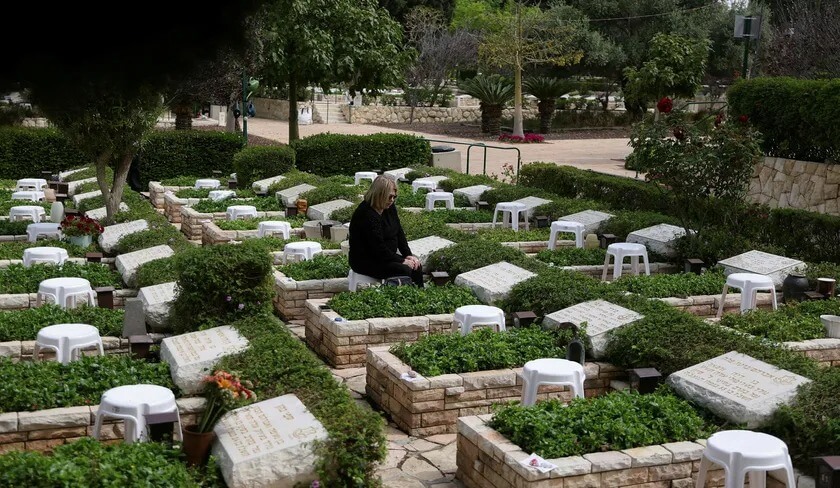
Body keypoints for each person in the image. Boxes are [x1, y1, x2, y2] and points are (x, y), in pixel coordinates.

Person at [349, 175, 423, 287]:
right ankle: (400, 299)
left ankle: (419, 296)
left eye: (394, 197)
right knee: (404, 270)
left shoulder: (388, 208)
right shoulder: (365, 214)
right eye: (389, 197)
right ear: (380, 195)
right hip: (368, 260)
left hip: (386, 257)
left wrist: (408, 255)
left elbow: (399, 232)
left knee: (416, 265)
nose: (392, 200)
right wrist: (401, 261)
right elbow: (377, 247)